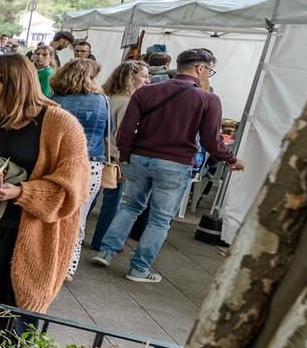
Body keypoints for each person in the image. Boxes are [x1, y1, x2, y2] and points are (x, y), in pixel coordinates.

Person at [0, 54, 89, 339]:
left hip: (27, 238)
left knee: (16, 322)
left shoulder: (62, 125)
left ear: (13, 84)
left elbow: (73, 189)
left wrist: (22, 192)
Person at [92, 48, 243, 282]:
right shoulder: (208, 99)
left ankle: (106, 252)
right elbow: (211, 141)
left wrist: (126, 155)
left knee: (131, 206)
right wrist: (231, 159)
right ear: (200, 68)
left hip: (140, 158)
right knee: (160, 219)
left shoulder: (146, 92)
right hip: (176, 163)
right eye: (209, 71)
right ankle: (139, 268)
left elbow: (125, 131)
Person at [49, 58, 110, 279]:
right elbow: (107, 133)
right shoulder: (102, 100)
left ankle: (49, 259)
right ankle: (68, 266)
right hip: (90, 163)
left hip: (56, 161)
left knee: (53, 211)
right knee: (79, 215)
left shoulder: (53, 100)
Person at [90, 60, 150, 250]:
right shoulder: (127, 102)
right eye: (144, 76)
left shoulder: (106, 97)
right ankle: (101, 241)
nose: (147, 80)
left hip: (101, 153)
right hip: (115, 157)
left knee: (92, 196)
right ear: (131, 77)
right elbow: (123, 134)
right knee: (112, 201)